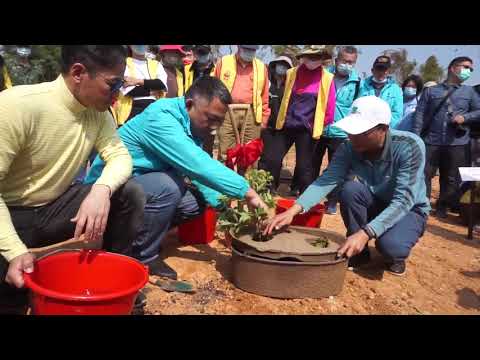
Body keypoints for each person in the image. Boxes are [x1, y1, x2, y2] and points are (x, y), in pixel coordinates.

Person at [0, 45, 146, 313]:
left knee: (130, 193)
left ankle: (112, 281)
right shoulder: (17, 106)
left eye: (120, 85)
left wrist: (101, 189)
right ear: (78, 72)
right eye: (112, 85)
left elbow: (120, 157)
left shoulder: (98, 112)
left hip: (52, 208)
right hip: (10, 215)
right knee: (12, 298)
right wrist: (14, 250)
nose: (116, 96)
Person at [85, 77, 267, 280]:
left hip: (138, 188)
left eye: (219, 121)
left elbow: (197, 175)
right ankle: (141, 255)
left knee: (194, 201)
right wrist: (248, 192)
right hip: (104, 192)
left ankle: (138, 235)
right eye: (211, 118)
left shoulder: (190, 125)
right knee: (169, 185)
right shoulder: (161, 117)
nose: (214, 127)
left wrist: (225, 213)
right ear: (190, 104)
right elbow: (197, 164)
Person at [265, 96, 430, 276]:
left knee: (391, 247)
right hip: (376, 200)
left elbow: (403, 200)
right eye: (351, 131)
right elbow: (327, 180)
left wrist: (366, 232)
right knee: (350, 190)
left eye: (361, 133)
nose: (353, 137)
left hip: (409, 209)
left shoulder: (409, 146)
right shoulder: (350, 147)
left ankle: (394, 255)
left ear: (383, 129)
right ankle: (361, 252)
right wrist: (293, 211)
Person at [412, 56, 480, 218]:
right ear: (452, 68)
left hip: (457, 143)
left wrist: (465, 118)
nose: (468, 71)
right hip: (430, 141)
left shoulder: (470, 92)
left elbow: (479, 111)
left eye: (470, 69)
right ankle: (423, 205)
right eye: (465, 67)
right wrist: (415, 138)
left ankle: (443, 206)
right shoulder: (431, 91)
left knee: (450, 178)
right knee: (425, 174)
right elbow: (419, 116)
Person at [267, 45, 336, 195]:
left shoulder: (327, 78)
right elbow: (285, 97)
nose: (313, 60)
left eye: (317, 57)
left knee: (304, 167)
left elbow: (329, 109)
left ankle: (303, 198)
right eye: (310, 57)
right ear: (303, 57)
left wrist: (317, 125)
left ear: (322, 59)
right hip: (286, 125)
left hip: (307, 129)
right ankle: (269, 190)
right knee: (273, 158)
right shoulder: (292, 73)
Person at [313, 45, 361, 214]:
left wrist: (352, 133)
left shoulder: (358, 83)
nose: (347, 64)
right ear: (336, 60)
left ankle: (332, 201)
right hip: (319, 128)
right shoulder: (323, 75)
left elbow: (357, 109)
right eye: (344, 61)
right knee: (312, 165)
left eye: (351, 62)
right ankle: (308, 198)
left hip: (341, 133)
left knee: (338, 169)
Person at [214, 45, 270, 165]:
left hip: (252, 112)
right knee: (226, 151)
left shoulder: (261, 67)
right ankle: (225, 181)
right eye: (247, 49)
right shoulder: (224, 62)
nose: (250, 52)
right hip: (227, 111)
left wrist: (264, 119)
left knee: (250, 153)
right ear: (239, 47)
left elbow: (264, 95)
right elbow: (214, 89)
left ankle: (247, 182)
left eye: (252, 50)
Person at [258, 55, 294, 192]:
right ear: (274, 66)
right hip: (267, 126)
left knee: (276, 159)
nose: (281, 68)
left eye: (285, 65)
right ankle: (261, 185)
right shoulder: (267, 84)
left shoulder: (290, 87)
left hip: (283, 129)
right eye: (279, 64)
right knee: (265, 157)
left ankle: (272, 186)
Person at [110, 45, 167, 127]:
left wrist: (137, 81)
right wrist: (152, 91)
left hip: (155, 110)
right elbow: (131, 91)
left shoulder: (157, 64)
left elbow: (161, 84)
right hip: (131, 111)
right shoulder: (123, 63)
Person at [184, 45, 217, 156]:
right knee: (188, 148)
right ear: (194, 53)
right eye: (199, 53)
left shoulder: (216, 70)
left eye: (204, 53)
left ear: (209, 53)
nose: (202, 56)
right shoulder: (186, 69)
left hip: (208, 115)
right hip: (190, 113)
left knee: (206, 150)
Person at [358, 55, 403, 129]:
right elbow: (356, 107)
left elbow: (397, 114)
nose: (381, 72)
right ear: (372, 70)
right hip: (363, 130)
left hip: (385, 131)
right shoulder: (361, 85)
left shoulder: (396, 90)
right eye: (378, 69)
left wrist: (382, 127)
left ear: (388, 71)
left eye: (384, 69)